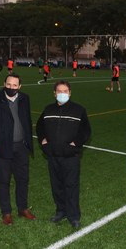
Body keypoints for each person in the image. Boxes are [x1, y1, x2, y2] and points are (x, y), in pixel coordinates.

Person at [36, 80, 91, 229]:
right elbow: (40, 127)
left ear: (70, 93)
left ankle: (73, 216)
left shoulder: (78, 110)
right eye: (59, 91)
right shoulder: (48, 110)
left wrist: (75, 144)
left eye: (65, 91)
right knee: (57, 185)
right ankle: (61, 211)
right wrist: (43, 142)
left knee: (71, 186)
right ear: (54, 93)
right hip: (53, 156)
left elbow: (85, 130)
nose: (62, 94)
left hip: (71, 157)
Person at [0, 74, 36, 225]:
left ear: (19, 87)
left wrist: (27, 142)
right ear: (4, 84)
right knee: (3, 181)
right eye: (9, 84)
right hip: (2, 148)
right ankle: (6, 212)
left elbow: (26, 120)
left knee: (23, 179)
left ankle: (22, 208)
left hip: (21, 147)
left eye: (15, 85)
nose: (11, 88)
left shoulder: (24, 98)